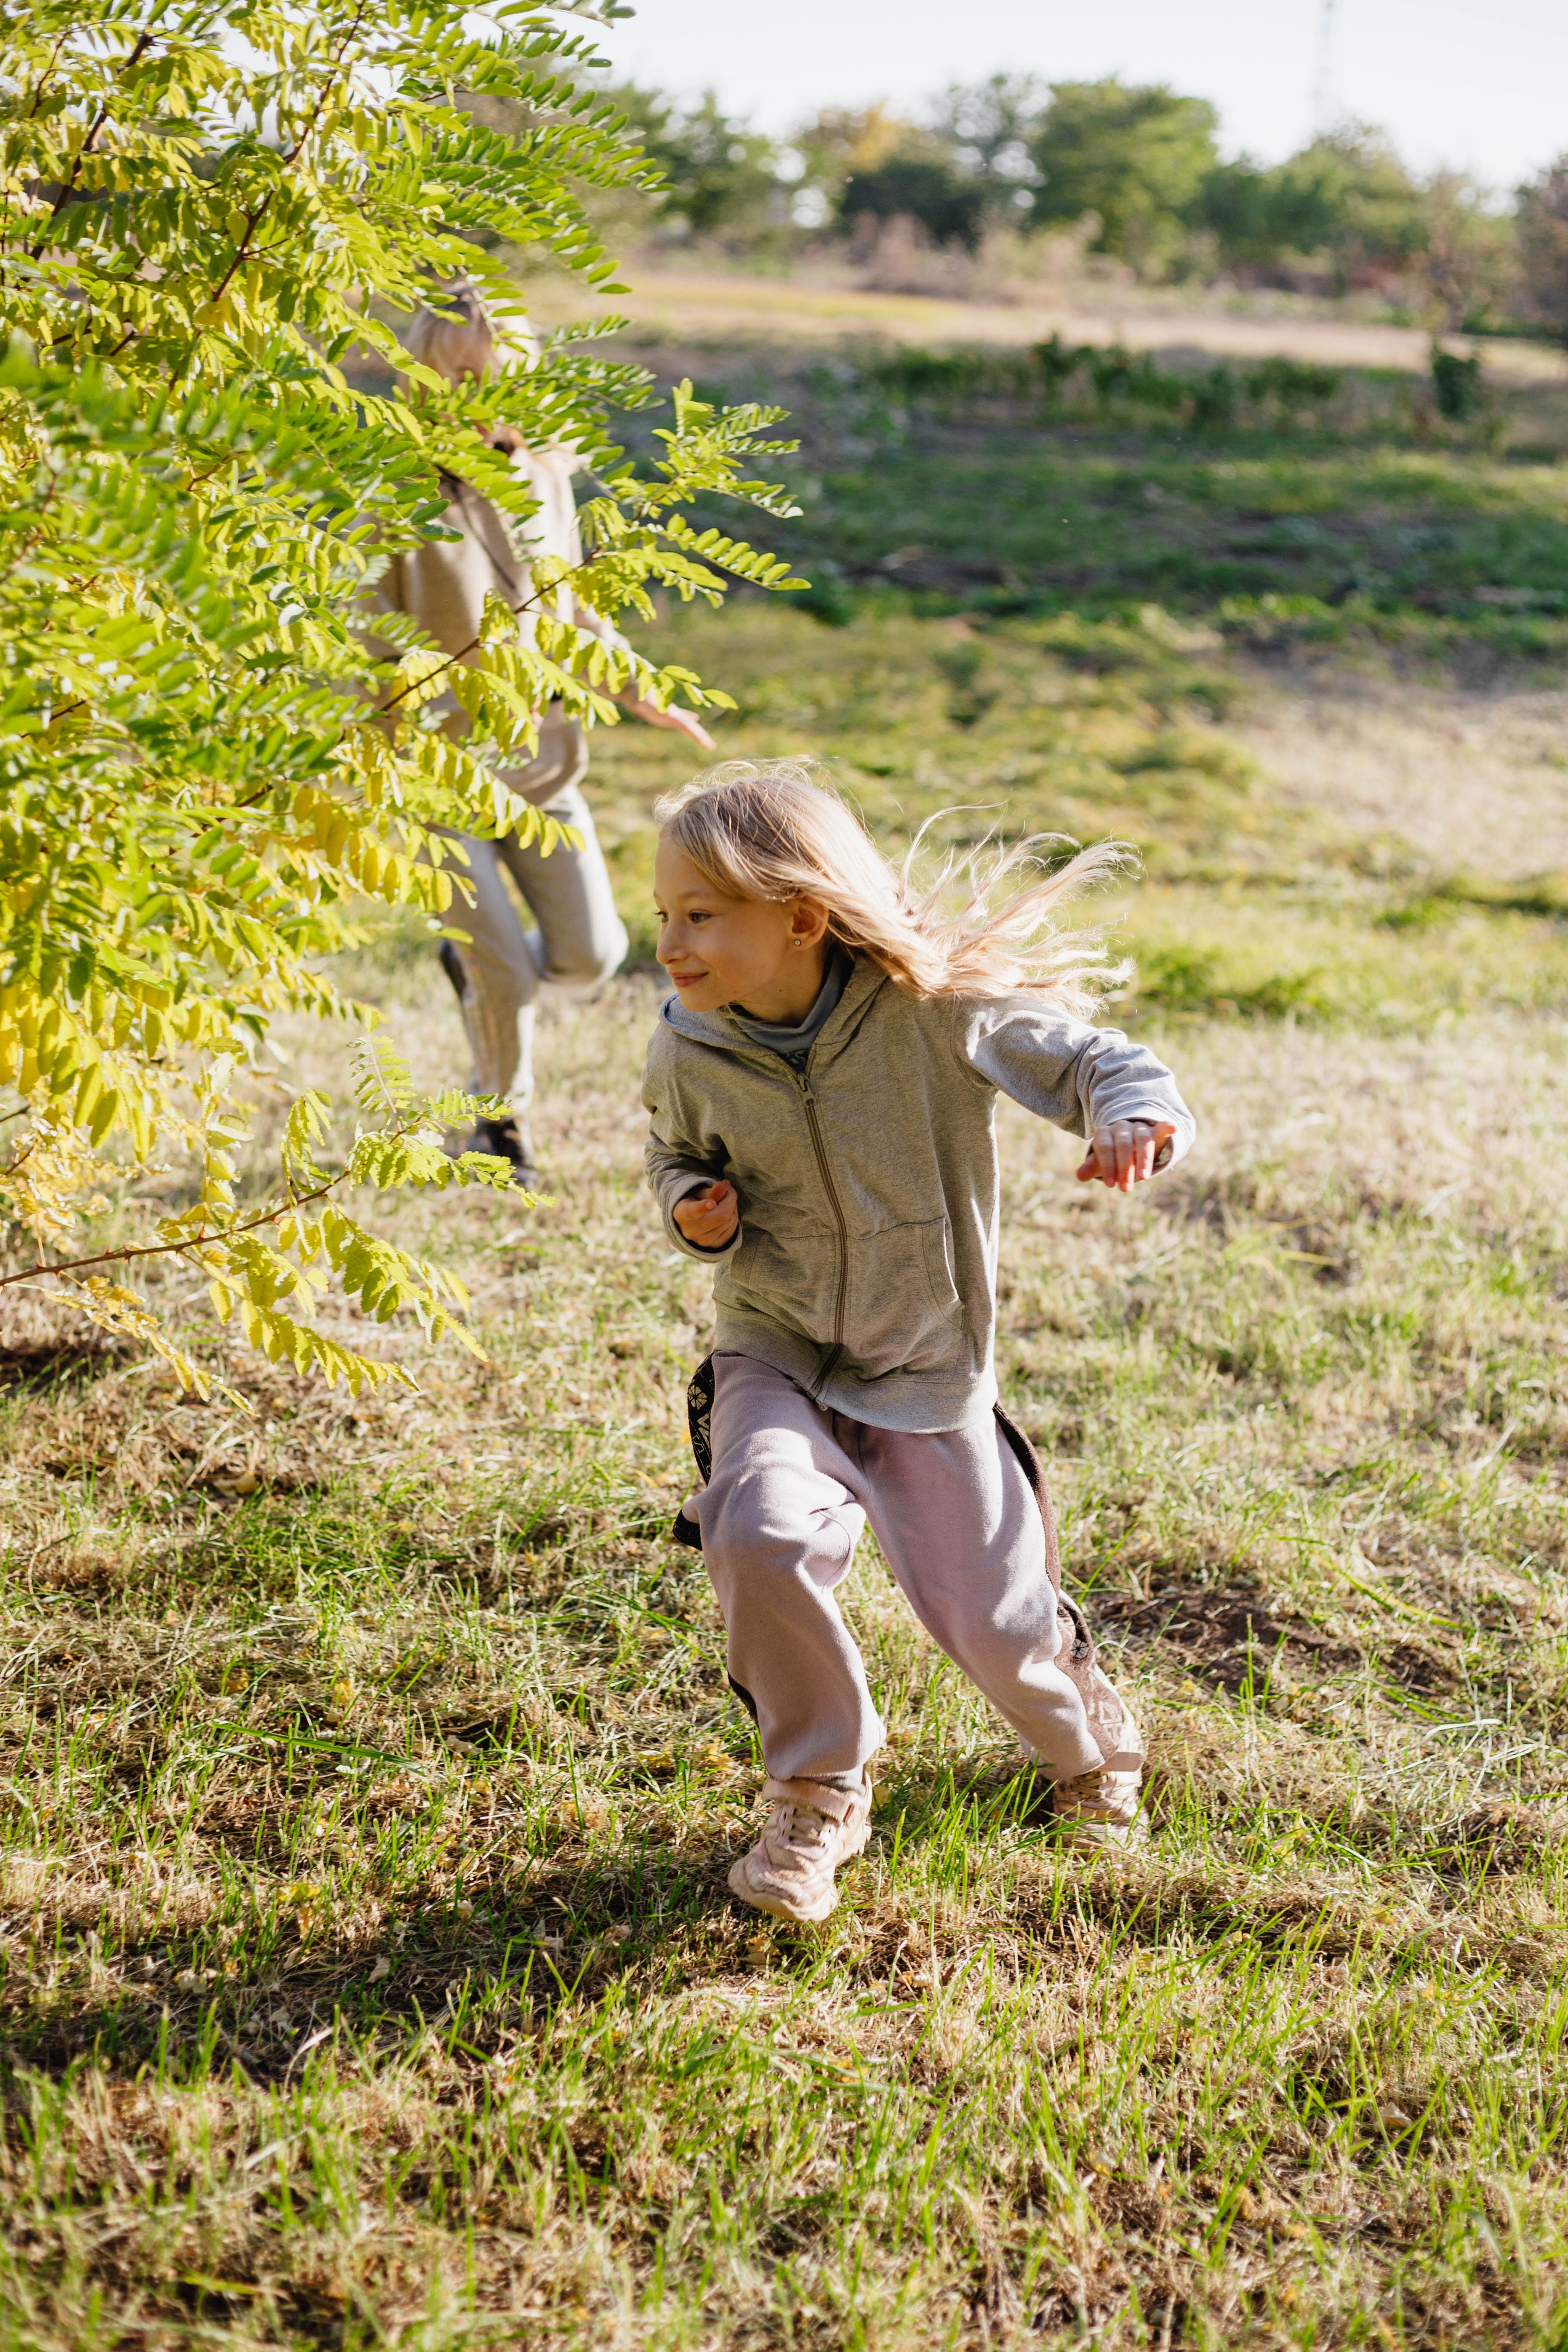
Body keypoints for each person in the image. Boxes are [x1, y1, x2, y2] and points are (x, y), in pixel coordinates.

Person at [641, 763, 1196, 1924]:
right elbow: (674, 1154)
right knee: (757, 1525)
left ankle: (1086, 1741)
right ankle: (816, 1794)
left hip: (926, 1360)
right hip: (775, 1346)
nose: (673, 944)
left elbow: (1090, 1056)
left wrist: (1133, 1112)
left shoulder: (935, 1014)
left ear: (799, 916)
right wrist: (695, 1199)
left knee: (990, 1615)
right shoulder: (688, 1045)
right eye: (664, 917)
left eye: (702, 914)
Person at [366, 284, 714, 1186]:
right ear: (426, 379)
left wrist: (644, 687)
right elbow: (367, 634)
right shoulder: (394, 489)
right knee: (510, 977)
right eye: (458, 378)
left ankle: (477, 974)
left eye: (495, 377)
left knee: (590, 957)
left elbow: (574, 617)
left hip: (539, 764)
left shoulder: (545, 479)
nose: (478, 396)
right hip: (436, 774)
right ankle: (498, 1123)